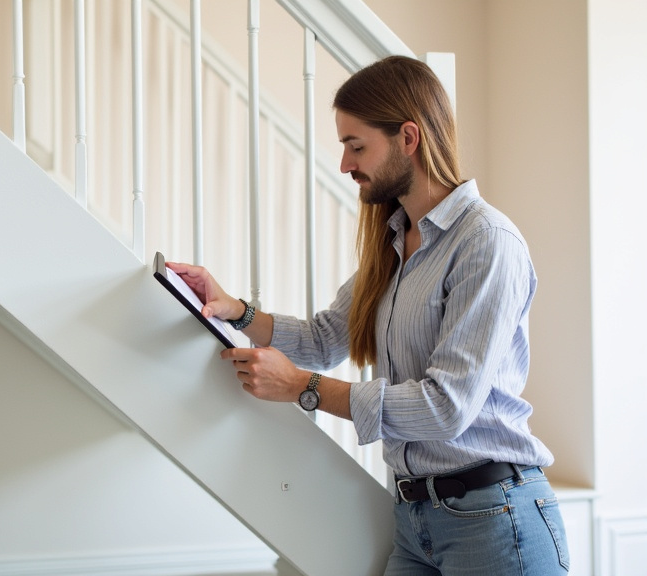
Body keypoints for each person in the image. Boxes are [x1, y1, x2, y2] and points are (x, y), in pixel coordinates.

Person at [167, 55, 569, 575]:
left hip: (495, 519)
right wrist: (236, 310)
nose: (344, 164)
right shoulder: (395, 245)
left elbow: (446, 407)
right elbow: (325, 338)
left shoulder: (486, 242)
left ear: (408, 138)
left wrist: (304, 388)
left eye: (356, 146)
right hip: (415, 519)